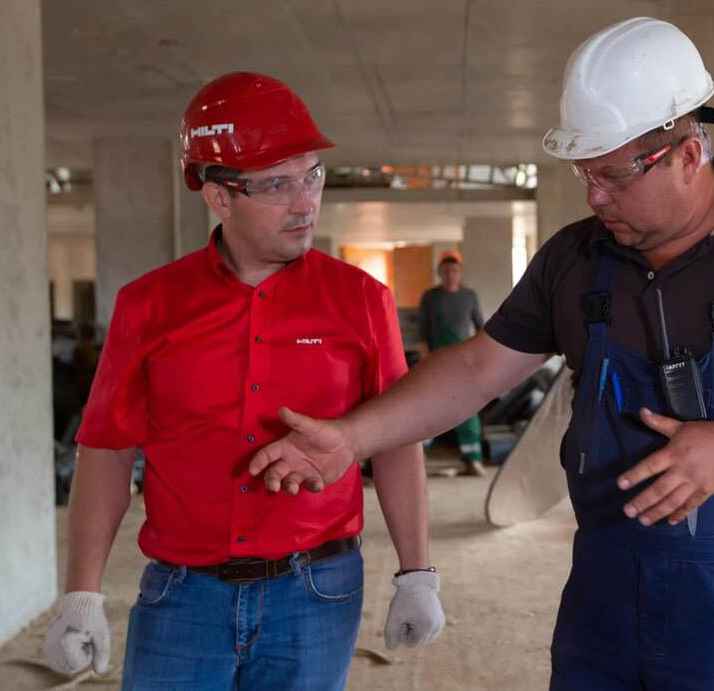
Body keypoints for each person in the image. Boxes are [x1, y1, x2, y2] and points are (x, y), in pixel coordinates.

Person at [250, 16, 714, 691]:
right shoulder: (575, 257)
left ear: (687, 154)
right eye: (585, 174)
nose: (595, 196)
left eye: (614, 176)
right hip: (603, 591)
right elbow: (478, 369)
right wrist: (350, 436)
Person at [42, 72, 444, 691]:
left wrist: (417, 574)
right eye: (277, 184)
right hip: (182, 596)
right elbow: (107, 450)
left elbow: (395, 441)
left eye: (311, 175)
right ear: (218, 196)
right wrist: (82, 594)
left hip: (317, 592)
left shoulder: (362, 301)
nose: (305, 201)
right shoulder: (147, 306)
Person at [417, 249, 487, 476]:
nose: (450, 274)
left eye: (454, 270)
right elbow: (423, 331)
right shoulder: (430, 297)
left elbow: (481, 328)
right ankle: (419, 458)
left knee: (467, 408)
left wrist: (481, 357)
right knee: (431, 407)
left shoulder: (469, 296)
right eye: (446, 271)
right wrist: (425, 357)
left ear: (460, 272)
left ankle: (472, 459)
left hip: (463, 360)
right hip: (437, 359)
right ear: (440, 272)